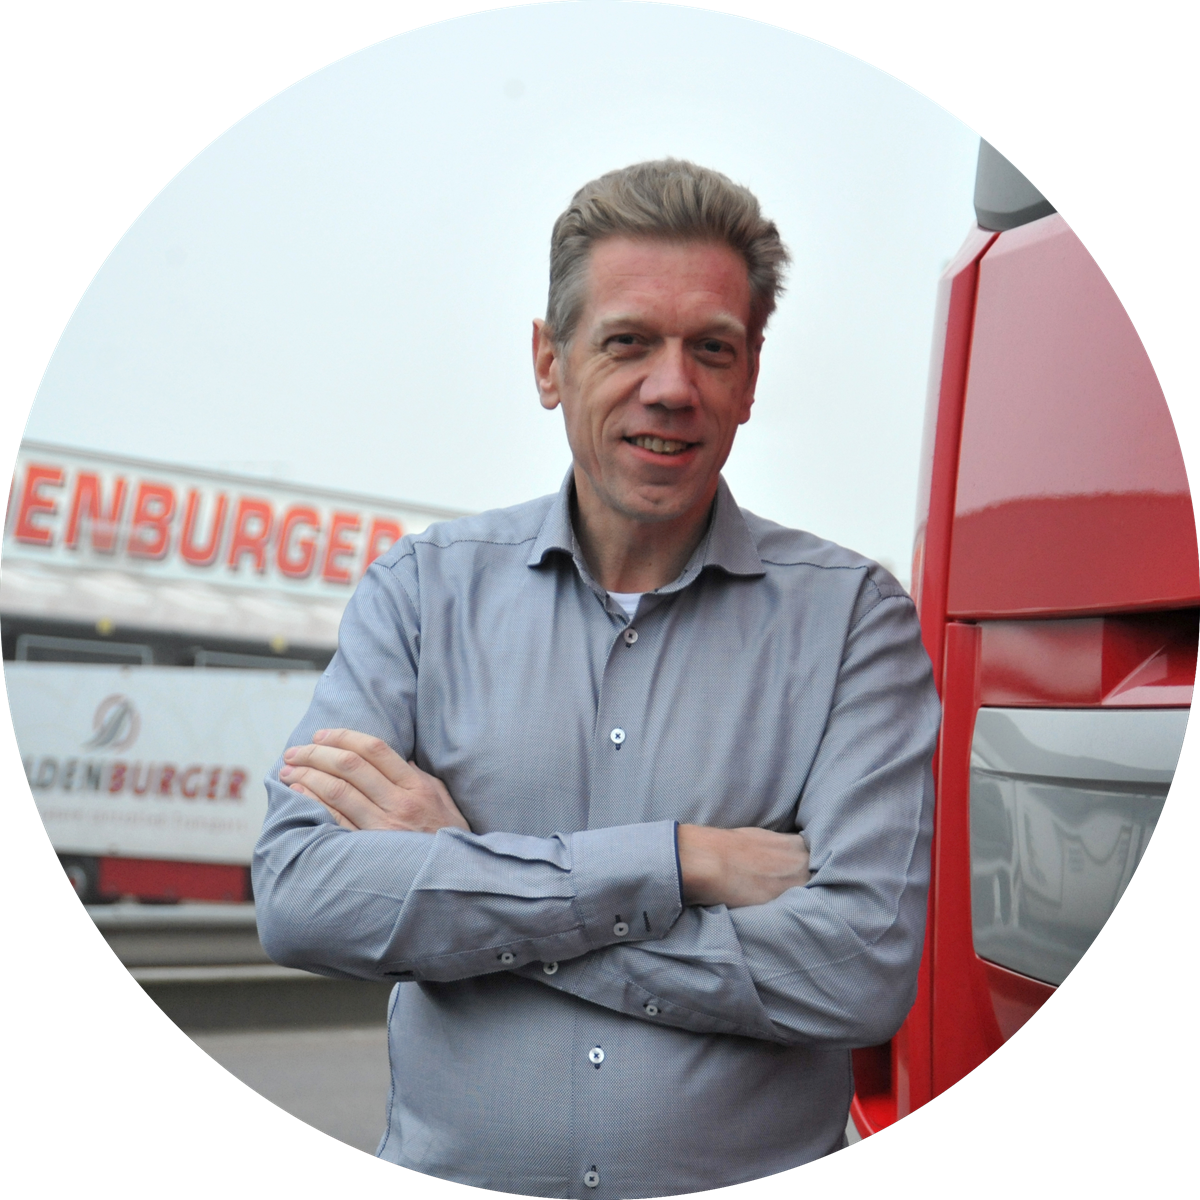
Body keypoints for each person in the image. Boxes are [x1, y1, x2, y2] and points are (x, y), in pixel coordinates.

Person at [253, 159, 941, 1197]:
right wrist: (680, 862)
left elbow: (858, 975)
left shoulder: (853, 621)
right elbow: (302, 898)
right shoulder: (421, 594)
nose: (673, 386)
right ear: (549, 362)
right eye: (628, 341)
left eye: (712, 348)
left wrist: (469, 880)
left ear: (751, 378)